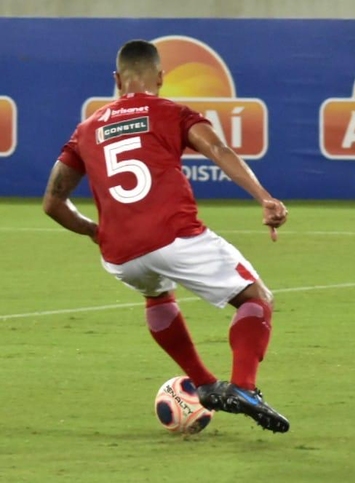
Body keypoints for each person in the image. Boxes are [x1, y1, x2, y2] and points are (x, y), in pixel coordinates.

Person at [42, 39, 290, 433]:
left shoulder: (86, 130)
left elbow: (53, 202)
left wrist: (93, 231)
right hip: (175, 237)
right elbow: (219, 150)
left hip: (119, 255)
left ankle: (205, 384)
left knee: (157, 294)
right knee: (257, 298)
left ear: (116, 80)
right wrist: (264, 197)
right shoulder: (172, 112)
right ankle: (243, 386)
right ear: (160, 76)